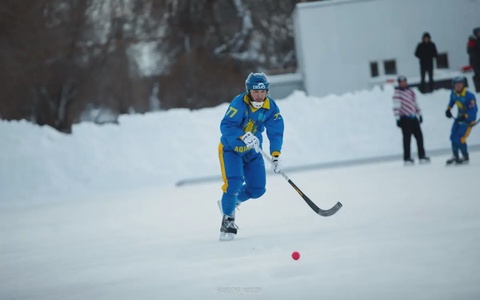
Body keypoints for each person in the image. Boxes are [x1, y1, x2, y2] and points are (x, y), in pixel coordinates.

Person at [217, 72, 284, 241]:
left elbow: (276, 132)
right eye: (255, 91)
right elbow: (226, 126)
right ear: (249, 90)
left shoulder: (271, 107)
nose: (259, 95)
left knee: (257, 189)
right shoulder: (239, 103)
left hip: (253, 151)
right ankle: (228, 221)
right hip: (231, 150)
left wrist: (276, 155)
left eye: (262, 92)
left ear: (267, 91)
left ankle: (231, 202)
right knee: (234, 183)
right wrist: (242, 135)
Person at [392, 75, 430, 165]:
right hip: (405, 118)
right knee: (407, 139)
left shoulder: (411, 91)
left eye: (404, 82)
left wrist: (419, 114)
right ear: (399, 83)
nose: (403, 83)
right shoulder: (397, 93)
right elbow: (396, 106)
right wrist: (397, 118)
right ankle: (407, 158)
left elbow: (415, 103)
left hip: (413, 117)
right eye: (401, 82)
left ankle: (422, 155)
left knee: (419, 137)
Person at [445, 76, 478, 165]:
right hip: (459, 117)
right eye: (456, 84)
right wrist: (448, 109)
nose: (458, 86)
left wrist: (466, 116)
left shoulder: (469, 96)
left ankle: (465, 156)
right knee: (452, 136)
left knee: (460, 137)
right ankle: (455, 155)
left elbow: (474, 110)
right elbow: (452, 101)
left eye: (460, 84)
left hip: (468, 120)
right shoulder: (453, 93)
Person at [468, 27, 480, 92]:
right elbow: (470, 51)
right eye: (478, 33)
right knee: (478, 75)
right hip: (476, 62)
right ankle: (478, 88)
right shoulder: (472, 41)